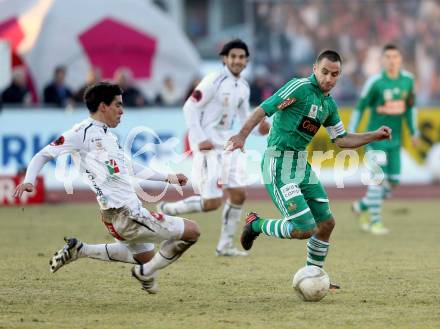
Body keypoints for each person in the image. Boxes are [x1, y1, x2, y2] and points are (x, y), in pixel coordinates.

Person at [226, 50, 392, 289]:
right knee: (304, 229)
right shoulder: (298, 88)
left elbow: (342, 140)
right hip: (278, 162)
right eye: (324, 72)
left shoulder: (329, 104)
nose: (329, 78)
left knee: (327, 224)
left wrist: (374, 135)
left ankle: (315, 275)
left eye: (334, 74)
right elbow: (264, 108)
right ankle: (256, 224)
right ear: (315, 68)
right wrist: (242, 135)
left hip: (301, 166)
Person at [13, 82, 200, 293]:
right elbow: (43, 154)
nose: (122, 111)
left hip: (112, 216)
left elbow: (129, 166)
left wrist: (169, 177)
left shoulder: (108, 137)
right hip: (126, 214)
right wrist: (29, 179)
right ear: (103, 106)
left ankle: (80, 250)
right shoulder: (81, 133)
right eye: (118, 105)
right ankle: (144, 272)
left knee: (146, 257)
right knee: (192, 231)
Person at [157, 39, 270, 257]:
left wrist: (259, 129)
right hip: (208, 145)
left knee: (238, 195)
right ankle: (166, 210)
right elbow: (189, 107)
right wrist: (199, 138)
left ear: (246, 61)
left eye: (241, 57)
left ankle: (225, 246)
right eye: (233, 56)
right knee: (212, 203)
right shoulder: (213, 80)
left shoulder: (243, 87)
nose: (237, 60)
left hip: (228, 145)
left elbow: (243, 118)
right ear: (225, 59)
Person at [348, 44, 418, 235]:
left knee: (393, 182)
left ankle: (362, 206)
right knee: (377, 181)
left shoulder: (408, 81)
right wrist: (352, 130)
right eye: (388, 56)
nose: (392, 60)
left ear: (400, 59)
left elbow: (411, 108)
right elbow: (361, 107)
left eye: (395, 56)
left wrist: (414, 132)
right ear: (382, 60)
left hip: (395, 141)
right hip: (375, 139)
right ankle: (375, 222)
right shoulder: (375, 82)